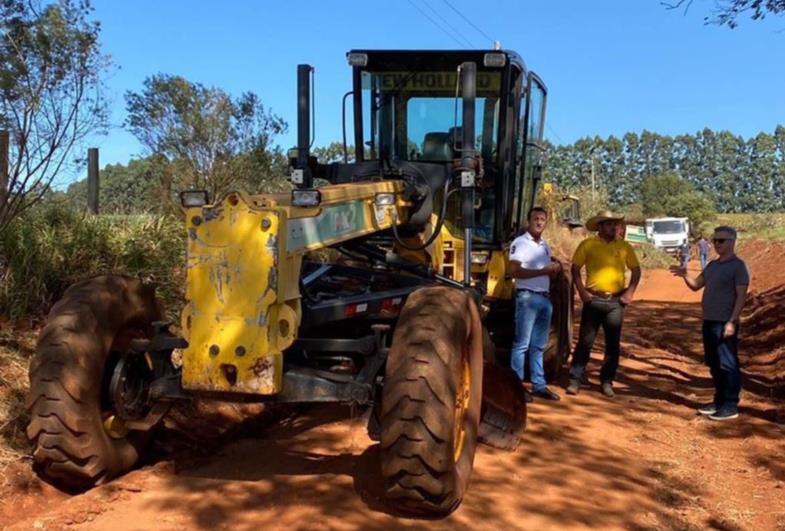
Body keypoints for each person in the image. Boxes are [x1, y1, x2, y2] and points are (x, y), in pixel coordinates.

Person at [671, 226, 750, 421]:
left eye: (721, 241)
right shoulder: (713, 266)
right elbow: (696, 286)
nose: (717, 244)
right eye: (715, 240)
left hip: (725, 322)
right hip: (709, 321)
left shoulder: (739, 266)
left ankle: (731, 404)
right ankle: (719, 400)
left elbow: (741, 297)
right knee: (714, 363)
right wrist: (684, 275)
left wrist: (732, 321)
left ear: (732, 242)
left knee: (728, 363)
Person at [566, 210, 641, 397]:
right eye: (609, 224)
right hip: (593, 300)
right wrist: (581, 291)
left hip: (616, 301)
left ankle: (607, 381)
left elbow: (636, 270)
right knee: (585, 342)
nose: (614, 227)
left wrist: (630, 292)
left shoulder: (624, 247)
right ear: (599, 227)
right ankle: (575, 380)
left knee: (612, 344)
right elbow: (575, 268)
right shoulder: (588, 245)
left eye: (615, 224)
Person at [508, 207, 563, 402]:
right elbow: (514, 271)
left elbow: (543, 268)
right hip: (527, 297)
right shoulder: (520, 243)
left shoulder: (545, 245)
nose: (539, 222)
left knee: (539, 345)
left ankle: (538, 385)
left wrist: (553, 269)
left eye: (542, 219)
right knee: (521, 344)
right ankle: (516, 387)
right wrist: (544, 271)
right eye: (535, 219)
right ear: (528, 221)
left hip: (544, 299)